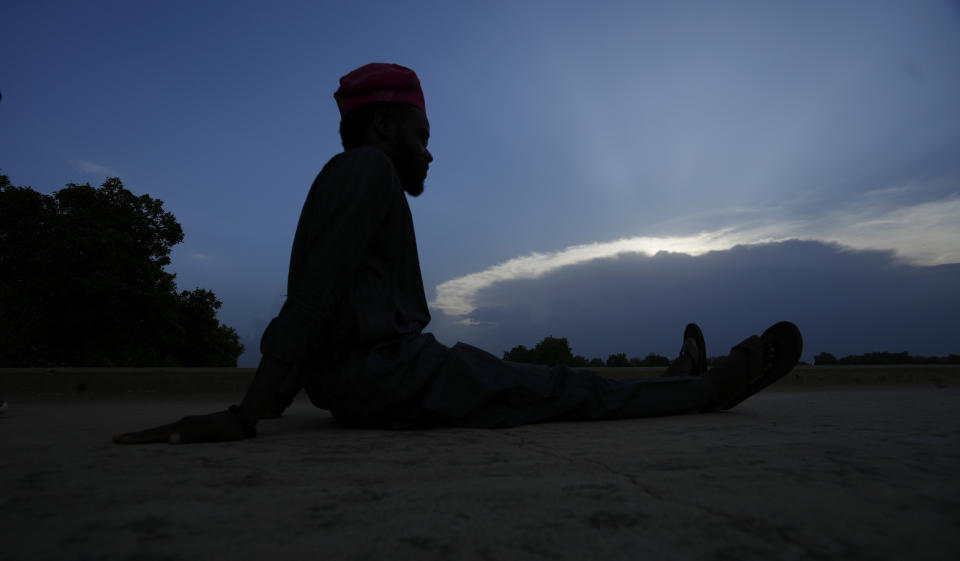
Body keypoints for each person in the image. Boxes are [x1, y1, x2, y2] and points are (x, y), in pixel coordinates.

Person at [114, 63, 802, 445]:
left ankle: (671, 380)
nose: (430, 150)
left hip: (380, 377)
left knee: (551, 383)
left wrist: (296, 388)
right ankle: (709, 388)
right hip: (393, 376)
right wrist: (249, 410)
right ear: (384, 128)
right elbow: (315, 293)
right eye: (421, 132)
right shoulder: (366, 171)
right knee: (562, 390)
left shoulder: (359, 180)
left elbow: (326, 300)